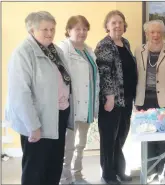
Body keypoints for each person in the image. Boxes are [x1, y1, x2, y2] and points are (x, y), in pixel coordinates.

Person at [5, 11, 74, 185]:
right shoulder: (23, 53)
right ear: (32, 30)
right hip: (38, 120)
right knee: (35, 167)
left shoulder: (55, 49)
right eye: (45, 29)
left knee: (54, 163)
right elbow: (20, 94)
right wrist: (32, 125)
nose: (50, 33)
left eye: (52, 29)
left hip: (58, 114)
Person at [134, 20, 165, 184]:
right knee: (147, 136)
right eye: (152, 32)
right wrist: (135, 101)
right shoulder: (138, 50)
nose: (155, 35)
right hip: (144, 100)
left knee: (164, 138)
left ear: (163, 33)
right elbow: (136, 77)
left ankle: (164, 172)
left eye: (159, 32)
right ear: (147, 34)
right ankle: (150, 170)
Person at [95, 10, 137, 185]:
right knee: (109, 139)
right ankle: (108, 174)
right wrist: (109, 97)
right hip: (111, 101)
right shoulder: (105, 45)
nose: (117, 25)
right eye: (113, 23)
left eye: (120, 22)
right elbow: (104, 74)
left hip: (126, 99)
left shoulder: (125, 43)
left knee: (120, 137)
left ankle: (119, 170)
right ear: (107, 26)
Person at [59, 15, 100, 184]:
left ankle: (77, 174)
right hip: (71, 104)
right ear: (69, 31)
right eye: (77, 29)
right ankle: (65, 178)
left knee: (81, 143)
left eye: (84, 29)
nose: (82, 32)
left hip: (88, 104)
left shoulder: (89, 50)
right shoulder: (62, 50)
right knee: (67, 145)